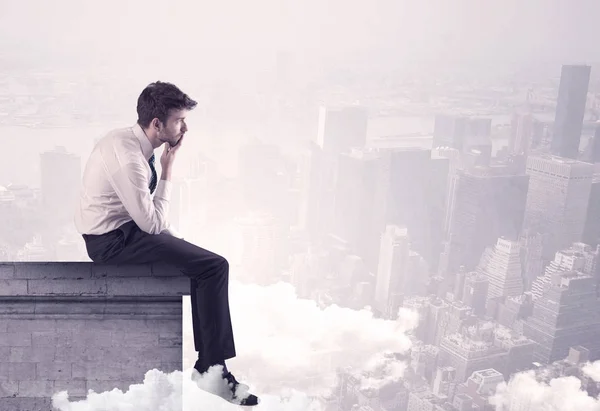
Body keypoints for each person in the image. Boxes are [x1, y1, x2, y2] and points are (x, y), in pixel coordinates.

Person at [74, 81, 259, 406]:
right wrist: (170, 166)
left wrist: (178, 243)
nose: (185, 127)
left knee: (200, 262)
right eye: (179, 121)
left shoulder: (128, 141)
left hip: (123, 230)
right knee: (214, 267)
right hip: (112, 243)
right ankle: (212, 372)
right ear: (157, 124)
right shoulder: (130, 158)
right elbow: (152, 223)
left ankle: (211, 367)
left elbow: (146, 217)